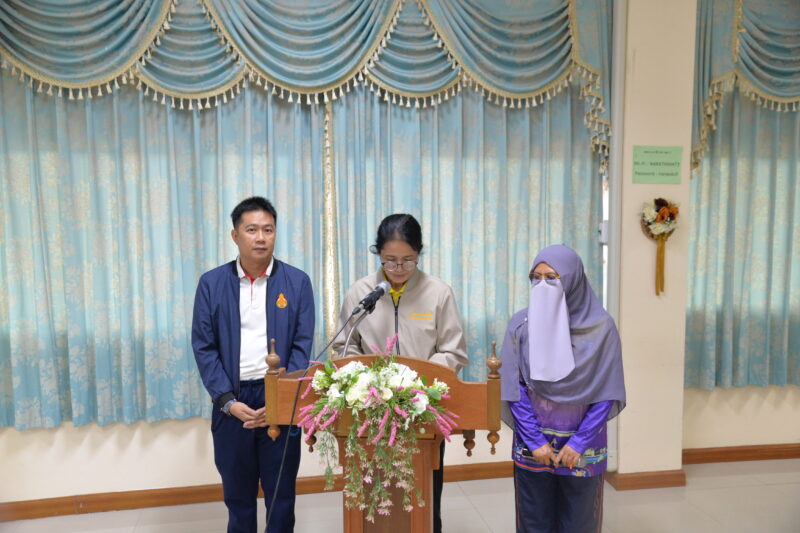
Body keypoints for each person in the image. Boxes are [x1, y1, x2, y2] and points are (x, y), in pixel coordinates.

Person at [332, 213, 468, 533]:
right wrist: (365, 383)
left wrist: (417, 383)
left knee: (424, 499)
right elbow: (345, 347)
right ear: (378, 253)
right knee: (372, 496)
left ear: (419, 253)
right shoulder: (361, 292)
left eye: (408, 260)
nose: (398, 268)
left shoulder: (438, 292)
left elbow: (453, 351)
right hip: (370, 409)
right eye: (390, 260)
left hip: (423, 410)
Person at [192, 196, 315, 533]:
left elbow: (302, 346)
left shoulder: (297, 282)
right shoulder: (212, 284)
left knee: (281, 498)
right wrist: (227, 401)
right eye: (252, 230)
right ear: (235, 235)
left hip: (279, 397)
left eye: (268, 230)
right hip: (232, 401)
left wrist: (280, 400)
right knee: (239, 499)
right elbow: (204, 347)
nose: (261, 237)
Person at [499, 244, 625, 533]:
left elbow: (606, 390)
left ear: (572, 280)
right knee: (534, 523)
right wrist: (535, 441)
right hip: (533, 445)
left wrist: (578, 443)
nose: (542, 285)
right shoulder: (521, 325)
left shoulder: (602, 329)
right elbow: (514, 387)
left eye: (552, 278)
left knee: (579, 523)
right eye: (536, 278)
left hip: (582, 447)